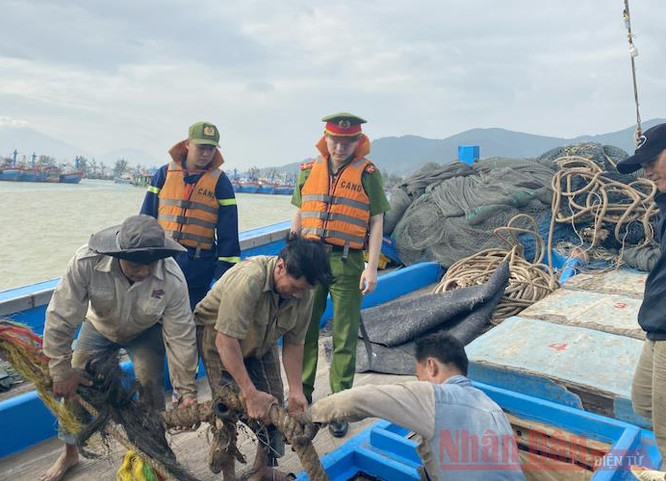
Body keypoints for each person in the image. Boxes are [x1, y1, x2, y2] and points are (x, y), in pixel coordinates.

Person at [40, 215, 199, 481]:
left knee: (150, 383)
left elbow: (181, 335)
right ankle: (69, 451)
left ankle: (158, 453)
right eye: (136, 266)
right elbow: (61, 316)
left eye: (151, 265)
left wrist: (186, 391)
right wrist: (60, 370)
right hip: (99, 326)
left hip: (146, 329)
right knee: (76, 382)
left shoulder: (172, 278)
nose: (145, 272)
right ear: (117, 255)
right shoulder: (86, 263)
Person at [193, 234, 332, 481]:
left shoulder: (304, 294)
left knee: (273, 402)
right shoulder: (250, 279)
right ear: (281, 267)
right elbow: (226, 341)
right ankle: (229, 476)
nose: (300, 295)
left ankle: (262, 471)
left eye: (306, 290)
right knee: (226, 410)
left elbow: (294, 343)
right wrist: (249, 392)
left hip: (261, 338)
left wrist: (297, 390)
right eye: (297, 287)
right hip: (218, 337)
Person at [305, 332, 525, 480]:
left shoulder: (436, 395)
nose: (420, 383)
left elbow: (357, 400)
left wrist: (310, 415)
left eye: (419, 376)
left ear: (431, 366)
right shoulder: (494, 409)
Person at [291, 112, 391, 437]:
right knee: (303, 329)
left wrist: (371, 266)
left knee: (344, 335)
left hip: (347, 264)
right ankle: (301, 397)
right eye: (334, 139)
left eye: (347, 141)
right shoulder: (307, 171)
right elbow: (298, 215)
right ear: (325, 138)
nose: (339, 146)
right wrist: (292, 257)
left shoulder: (369, 173)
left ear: (357, 142)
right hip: (310, 260)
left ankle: (338, 405)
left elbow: (376, 221)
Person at [140, 121, 240, 311]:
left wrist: (223, 273)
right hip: (161, 262)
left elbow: (229, 232)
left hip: (198, 269)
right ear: (188, 144)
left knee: (190, 320)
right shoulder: (163, 174)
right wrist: (142, 257)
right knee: (153, 315)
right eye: (201, 148)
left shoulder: (221, 182)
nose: (205, 154)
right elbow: (146, 218)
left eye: (211, 149)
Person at [618, 122, 666, 462]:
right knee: (643, 401)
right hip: (656, 324)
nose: (647, 172)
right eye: (643, 165)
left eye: (652, 161)